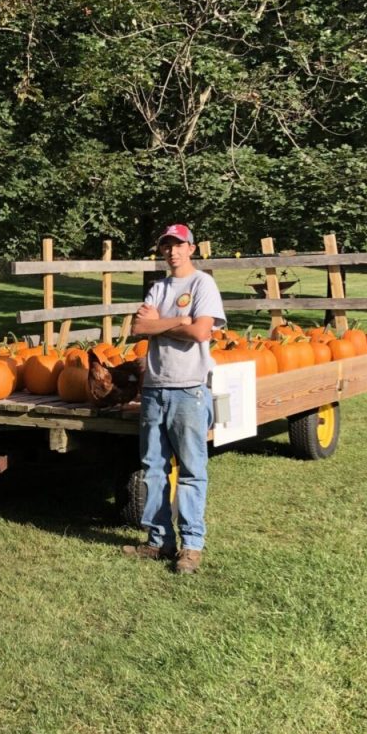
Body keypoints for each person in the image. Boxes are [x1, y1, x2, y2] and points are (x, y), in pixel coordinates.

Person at [125, 223, 226, 574]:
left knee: (191, 471)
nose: (172, 251)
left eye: (178, 245)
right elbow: (138, 328)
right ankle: (158, 540)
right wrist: (178, 319)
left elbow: (201, 331)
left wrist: (162, 323)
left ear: (191, 249)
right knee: (153, 468)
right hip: (154, 389)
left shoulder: (203, 284)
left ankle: (191, 545)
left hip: (189, 390)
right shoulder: (159, 287)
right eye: (166, 245)